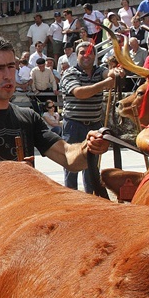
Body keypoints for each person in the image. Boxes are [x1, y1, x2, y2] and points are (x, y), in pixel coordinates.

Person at [0, 35, 111, 173]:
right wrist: (13, 172)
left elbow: (67, 157)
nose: (8, 75)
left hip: (27, 211)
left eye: (10, 67)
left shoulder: (28, 117)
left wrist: (87, 147)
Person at [59, 40, 124, 193]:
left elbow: (108, 74)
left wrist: (115, 72)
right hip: (74, 125)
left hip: (94, 125)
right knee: (71, 163)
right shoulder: (70, 73)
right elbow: (80, 93)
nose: (86, 56)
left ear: (95, 55)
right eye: (82, 53)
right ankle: (70, 197)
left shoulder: (99, 71)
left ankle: (90, 197)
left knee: (92, 167)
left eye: (89, 53)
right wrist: (104, 84)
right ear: (76, 55)